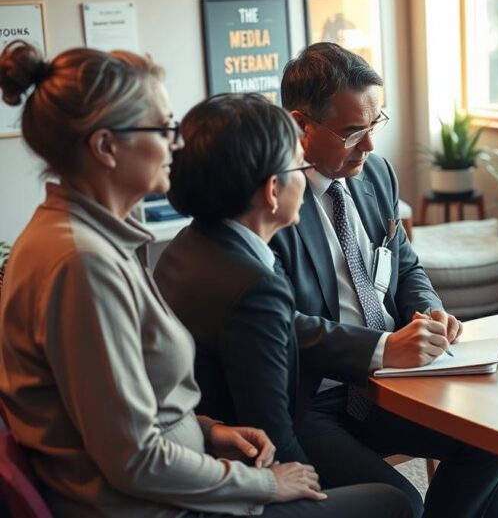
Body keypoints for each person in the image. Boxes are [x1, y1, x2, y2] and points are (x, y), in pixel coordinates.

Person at [0, 41, 411, 518]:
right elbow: (134, 460)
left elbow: (122, 410)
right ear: (106, 147)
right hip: (157, 507)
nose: (177, 144)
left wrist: (207, 430)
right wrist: (259, 483)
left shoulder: (87, 240)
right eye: (163, 128)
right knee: (394, 504)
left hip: (176, 475)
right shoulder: (82, 262)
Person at [270, 42, 498, 517]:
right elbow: (280, 327)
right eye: (352, 132)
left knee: (497, 434)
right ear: (299, 125)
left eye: (375, 124)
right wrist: (382, 349)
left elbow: (405, 264)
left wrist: (428, 309)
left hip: (390, 384)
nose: (369, 145)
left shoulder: (376, 175)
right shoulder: (270, 202)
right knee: (401, 503)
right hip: (315, 399)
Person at [153, 93, 413, 517]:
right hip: (246, 475)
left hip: (207, 443)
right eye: (300, 165)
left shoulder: (181, 252)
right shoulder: (257, 287)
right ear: (273, 191)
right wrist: (315, 491)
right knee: (399, 503)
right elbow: (275, 435)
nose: (307, 175)